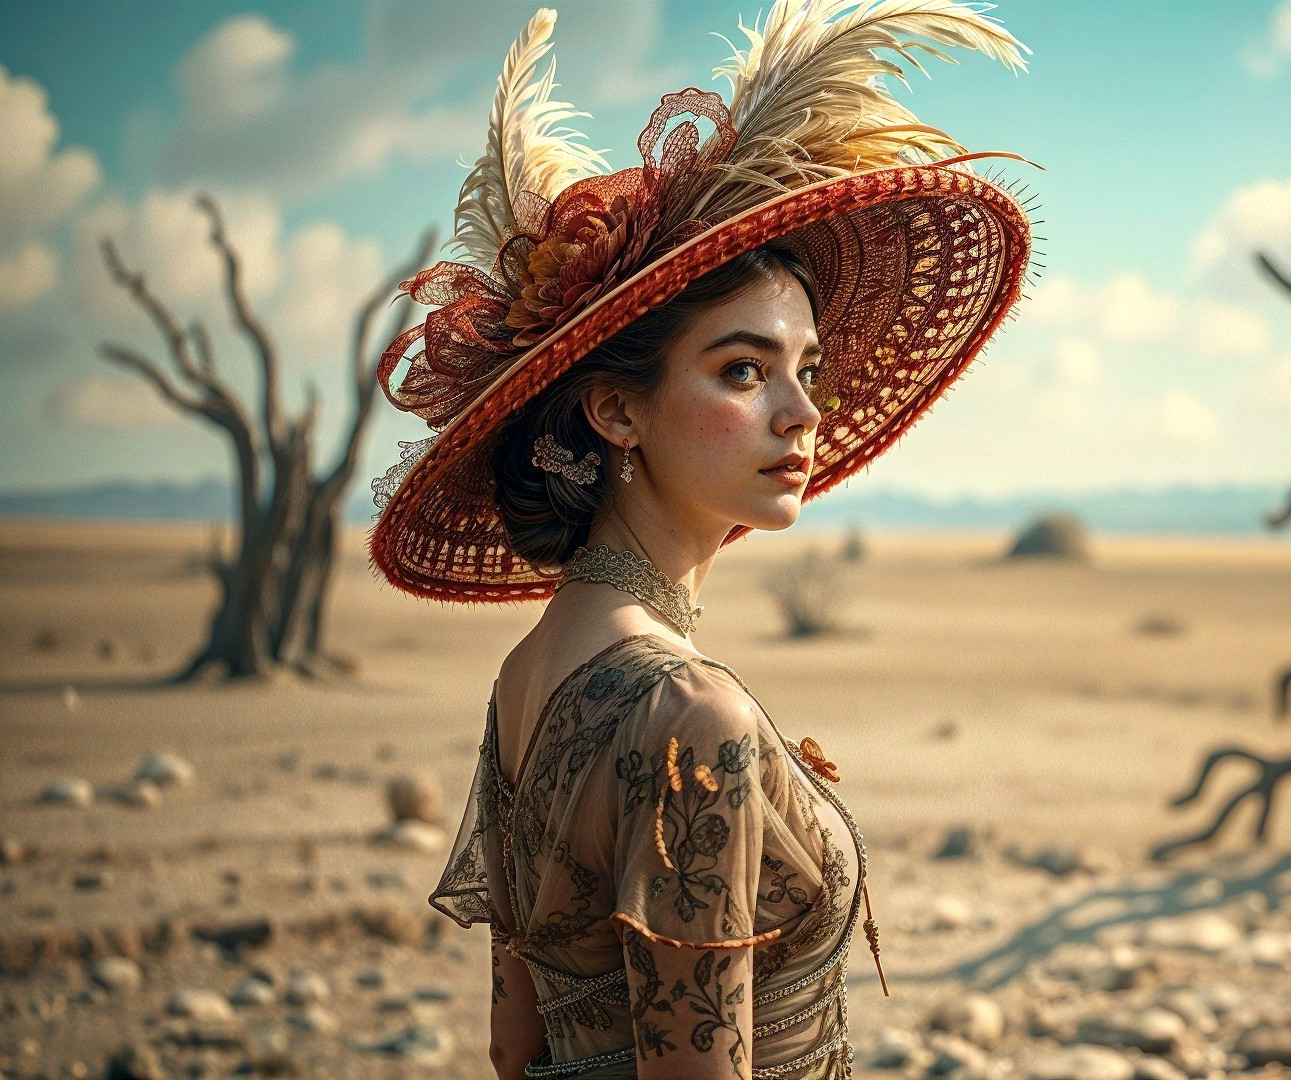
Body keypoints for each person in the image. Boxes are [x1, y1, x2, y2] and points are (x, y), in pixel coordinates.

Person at [364, 2, 1034, 1077]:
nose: (802, 413)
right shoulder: (689, 715)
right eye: (742, 370)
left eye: (807, 370)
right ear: (615, 410)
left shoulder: (525, 677)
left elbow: (513, 1044)